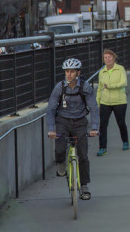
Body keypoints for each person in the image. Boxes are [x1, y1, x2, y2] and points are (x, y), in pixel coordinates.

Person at [46, 58, 99, 200]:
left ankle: (84, 186)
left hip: (80, 122)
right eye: (67, 72)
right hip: (63, 121)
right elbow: (51, 109)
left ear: (78, 73)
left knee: (83, 155)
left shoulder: (85, 87)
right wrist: (51, 129)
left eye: (72, 72)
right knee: (59, 148)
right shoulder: (60, 87)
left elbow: (93, 108)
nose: (69, 74)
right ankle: (61, 164)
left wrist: (94, 127)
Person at [96, 49, 129, 156]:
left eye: (110, 57)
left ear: (114, 58)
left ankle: (125, 141)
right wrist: (98, 103)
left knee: (121, 123)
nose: (108, 59)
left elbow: (124, 83)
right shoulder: (102, 72)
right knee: (103, 125)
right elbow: (100, 88)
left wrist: (110, 87)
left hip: (119, 101)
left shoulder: (120, 69)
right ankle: (102, 147)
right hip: (105, 102)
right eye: (105, 57)